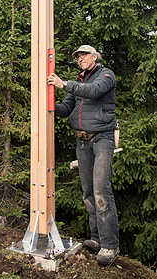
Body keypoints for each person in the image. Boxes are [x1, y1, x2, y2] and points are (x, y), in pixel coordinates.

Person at [47, 44, 119, 265]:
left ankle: (110, 245)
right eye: (77, 57)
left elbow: (94, 91)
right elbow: (65, 109)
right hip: (83, 142)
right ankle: (96, 239)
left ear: (94, 56)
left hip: (102, 139)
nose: (80, 59)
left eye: (83, 55)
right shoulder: (79, 81)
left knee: (101, 189)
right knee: (88, 192)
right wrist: (46, 103)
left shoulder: (105, 75)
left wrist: (65, 84)